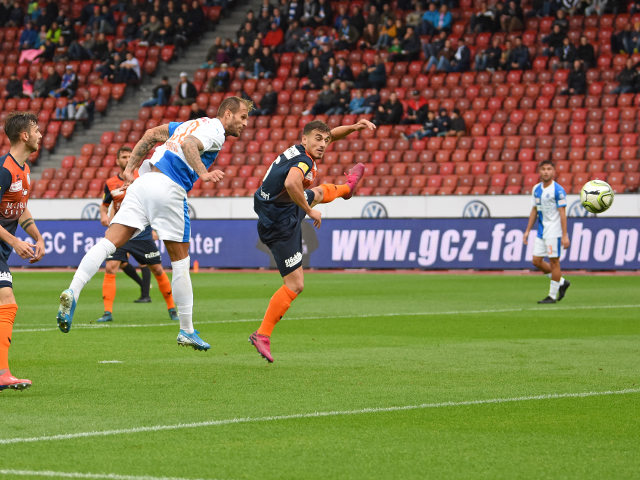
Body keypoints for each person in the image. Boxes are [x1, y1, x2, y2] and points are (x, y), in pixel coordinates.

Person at [57, 97, 252, 352]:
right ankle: (187, 330)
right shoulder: (216, 131)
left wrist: (130, 169)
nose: (245, 123)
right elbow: (189, 144)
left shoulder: (190, 123)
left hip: (143, 183)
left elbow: (151, 134)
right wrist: (203, 173)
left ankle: (73, 290)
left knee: (108, 243)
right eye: (243, 117)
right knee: (180, 263)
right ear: (227, 114)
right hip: (169, 188)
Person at [249, 119, 371, 362]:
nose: (323, 144)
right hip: (280, 225)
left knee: (319, 191)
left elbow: (330, 135)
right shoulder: (303, 160)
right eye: (318, 139)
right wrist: (309, 210)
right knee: (295, 285)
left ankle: (347, 189)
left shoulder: (301, 149)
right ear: (304, 139)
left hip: (277, 210)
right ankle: (262, 334)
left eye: (325, 140)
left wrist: (354, 128)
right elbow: (291, 183)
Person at [97, 146, 180, 324]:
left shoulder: (142, 179)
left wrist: (156, 228)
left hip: (142, 231)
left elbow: (154, 204)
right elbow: (105, 205)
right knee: (111, 267)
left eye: (130, 156)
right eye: (124, 157)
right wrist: (104, 215)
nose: (127, 159)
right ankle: (107, 312)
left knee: (157, 269)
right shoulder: (111, 183)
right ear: (117, 161)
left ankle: (172, 308)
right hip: (120, 230)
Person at [0, 112, 46, 391]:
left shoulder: (25, 170)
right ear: (25, 135)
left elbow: (20, 208)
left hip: (2, 248)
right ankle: (2, 373)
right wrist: (16, 242)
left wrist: (37, 237)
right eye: (37, 130)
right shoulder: (4, 170)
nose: (41, 135)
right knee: (7, 300)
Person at [523, 160, 571, 304]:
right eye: (543, 169)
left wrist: (564, 235)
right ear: (539, 171)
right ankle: (561, 282)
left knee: (554, 262)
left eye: (549, 169)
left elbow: (562, 213)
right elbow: (534, 210)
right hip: (541, 231)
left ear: (553, 171)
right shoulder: (536, 189)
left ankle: (552, 296)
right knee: (536, 261)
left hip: (554, 232)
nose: (546, 172)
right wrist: (527, 230)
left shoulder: (558, 190)